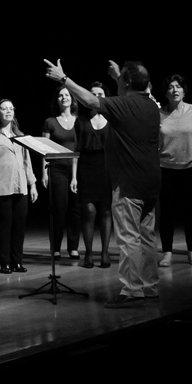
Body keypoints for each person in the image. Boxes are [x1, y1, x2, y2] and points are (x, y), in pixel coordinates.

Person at [45, 59, 160, 308]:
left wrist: (64, 79)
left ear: (127, 83)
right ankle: (150, 287)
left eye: (121, 80)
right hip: (151, 181)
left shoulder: (124, 105)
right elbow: (133, 90)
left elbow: (90, 101)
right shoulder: (151, 105)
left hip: (129, 182)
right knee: (148, 237)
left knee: (129, 238)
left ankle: (132, 290)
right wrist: (120, 76)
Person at [157, 74, 192, 267]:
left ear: (184, 90)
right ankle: (167, 253)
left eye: (178, 86)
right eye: (170, 87)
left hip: (191, 167)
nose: (175, 90)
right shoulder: (159, 114)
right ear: (165, 92)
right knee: (167, 214)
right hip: (166, 169)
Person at [0, 99, 38, 273]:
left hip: (20, 186)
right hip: (1, 186)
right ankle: (4, 261)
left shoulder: (21, 137)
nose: (8, 111)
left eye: (11, 109)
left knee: (19, 225)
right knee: (5, 224)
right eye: (4, 109)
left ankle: (17, 261)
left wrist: (32, 184)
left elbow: (27, 163)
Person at [74, 82, 112, 269]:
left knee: (105, 210)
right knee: (88, 211)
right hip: (86, 167)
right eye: (93, 93)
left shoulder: (112, 118)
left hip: (107, 167)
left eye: (100, 93)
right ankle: (88, 253)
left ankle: (104, 253)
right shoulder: (80, 119)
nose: (96, 96)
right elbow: (76, 150)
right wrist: (74, 176)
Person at [41, 85, 81, 260]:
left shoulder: (79, 121)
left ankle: (73, 247)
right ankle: (55, 247)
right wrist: (44, 173)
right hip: (56, 169)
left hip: (75, 168)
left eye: (67, 95)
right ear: (56, 100)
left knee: (75, 209)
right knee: (58, 208)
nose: (64, 97)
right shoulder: (50, 122)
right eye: (60, 95)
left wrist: (75, 176)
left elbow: (78, 150)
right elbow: (43, 149)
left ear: (72, 99)